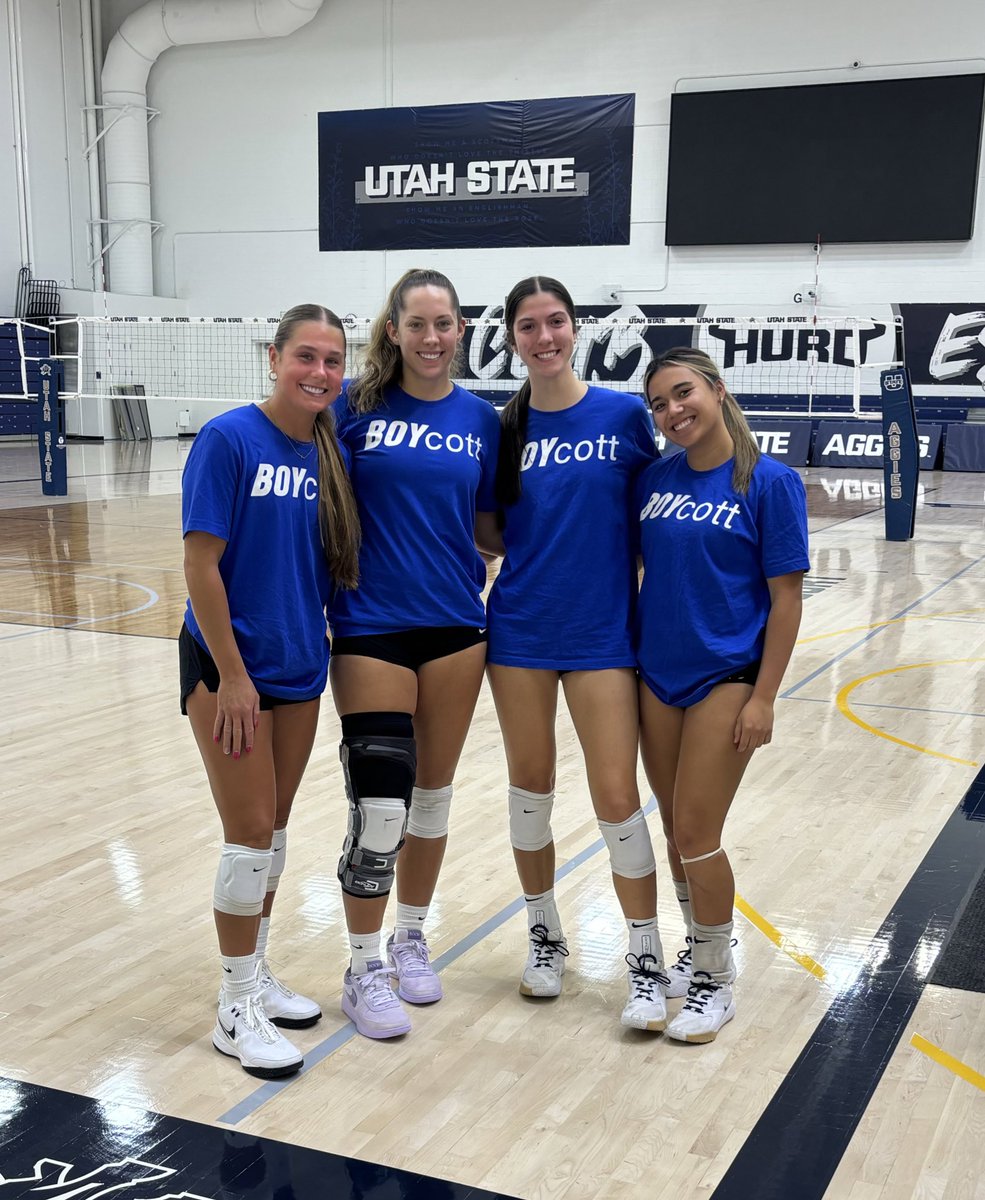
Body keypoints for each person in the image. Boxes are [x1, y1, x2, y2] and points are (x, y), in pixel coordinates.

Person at [181, 304, 360, 1078]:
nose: (319, 373)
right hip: (232, 671)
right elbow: (200, 567)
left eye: (332, 361)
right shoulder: (229, 438)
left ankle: (254, 978)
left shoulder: (325, 448)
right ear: (274, 356)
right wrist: (231, 677)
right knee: (249, 833)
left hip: (297, 666)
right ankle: (231, 1008)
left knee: (276, 836)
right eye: (306, 357)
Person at [485, 275, 667, 1031]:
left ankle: (646, 955)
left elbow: (650, 513)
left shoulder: (625, 414)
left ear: (574, 328)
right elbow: (489, 530)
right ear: (512, 339)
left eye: (555, 322)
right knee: (529, 789)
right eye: (528, 327)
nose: (544, 337)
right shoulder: (505, 425)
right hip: (521, 629)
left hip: (601, 634)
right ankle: (544, 934)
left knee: (615, 797)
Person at [329, 268, 501, 1039]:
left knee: (431, 798)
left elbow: (491, 525)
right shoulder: (352, 407)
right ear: (392, 330)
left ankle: (410, 936)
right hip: (371, 624)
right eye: (418, 323)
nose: (432, 338)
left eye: (445, 324)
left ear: (461, 331)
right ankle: (362, 963)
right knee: (380, 805)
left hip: (457, 627)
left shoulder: (482, 420)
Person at [637, 346, 808, 1042]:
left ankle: (715, 980)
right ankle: (698, 949)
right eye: (658, 404)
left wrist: (764, 697)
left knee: (695, 835)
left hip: (725, 679)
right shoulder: (653, 478)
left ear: (716, 389)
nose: (672, 412)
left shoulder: (768, 482)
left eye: (682, 394)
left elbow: (786, 598)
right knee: (674, 832)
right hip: (655, 677)